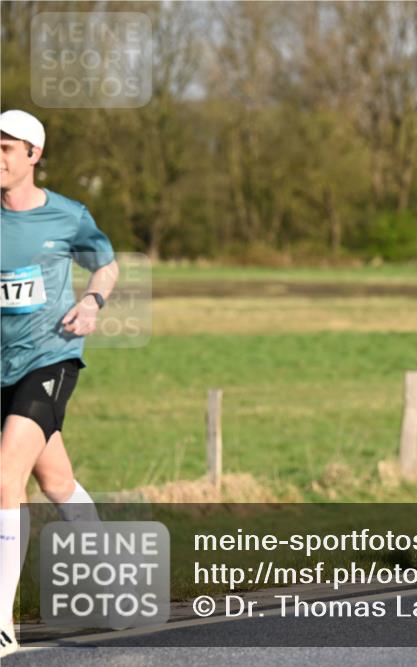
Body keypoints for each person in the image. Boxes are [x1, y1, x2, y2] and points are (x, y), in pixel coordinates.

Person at [1, 109, 118, 657]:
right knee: (55, 481)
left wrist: (92, 301)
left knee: (5, 480)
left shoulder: (68, 216)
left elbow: (107, 264)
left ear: (33, 155)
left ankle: (1, 622)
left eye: (7, 147)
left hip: (50, 358)